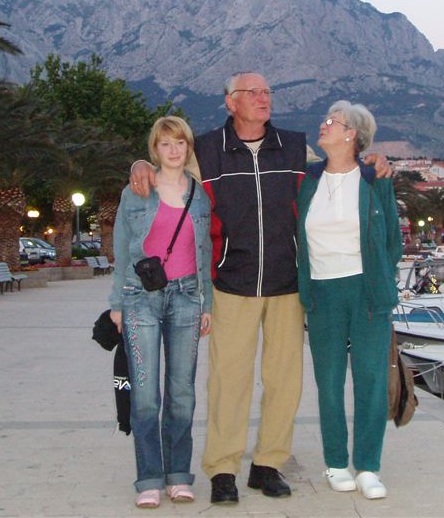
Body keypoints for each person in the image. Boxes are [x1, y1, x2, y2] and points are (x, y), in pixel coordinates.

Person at [130, 72, 391, 505]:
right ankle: (223, 469)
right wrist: (141, 165)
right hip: (232, 282)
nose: (263, 98)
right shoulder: (207, 150)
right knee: (228, 381)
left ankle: (268, 464)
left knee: (284, 381)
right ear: (230, 102)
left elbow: (340, 167)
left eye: (267, 91)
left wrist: (374, 162)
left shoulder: (294, 147)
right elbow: (168, 171)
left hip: (287, 284)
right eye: (252, 92)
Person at [296, 100, 402, 500]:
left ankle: (369, 466)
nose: (323, 125)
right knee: (328, 382)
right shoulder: (307, 180)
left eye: (332, 121)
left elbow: (392, 242)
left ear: (351, 134)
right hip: (322, 291)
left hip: (367, 291)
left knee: (371, 380)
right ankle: (336, 463)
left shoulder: (375, 179)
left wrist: (379, 279)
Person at [110, 115, 213, 509]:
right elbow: (122, 250)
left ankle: (178, 475)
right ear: (154, 149)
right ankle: (150, 477)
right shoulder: (136, 191)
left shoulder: (199, 196)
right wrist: (117, 304)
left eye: (180, 143)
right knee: (146, 396)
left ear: (188, 147)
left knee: (182, 393)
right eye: (165, 143)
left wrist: (207, 304)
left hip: (187, 298)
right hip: (141, 299)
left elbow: (204, 252)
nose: (174, 150)